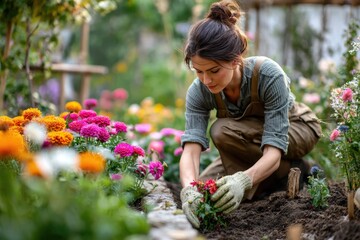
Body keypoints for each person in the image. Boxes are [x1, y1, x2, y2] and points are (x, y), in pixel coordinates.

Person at [179, 0, 322, 229]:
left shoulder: (268, 74)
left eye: (214, 71)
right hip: (249, 137)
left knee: (221, 130)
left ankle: (288, 170)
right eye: (198, 71)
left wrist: (242, 180)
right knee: (207, 189)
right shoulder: (199, 91)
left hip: (296, 129)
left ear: (236, 60)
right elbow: (191, 150)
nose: (206, 80)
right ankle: (271, 181)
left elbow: (274, 147)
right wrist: (189, 189)